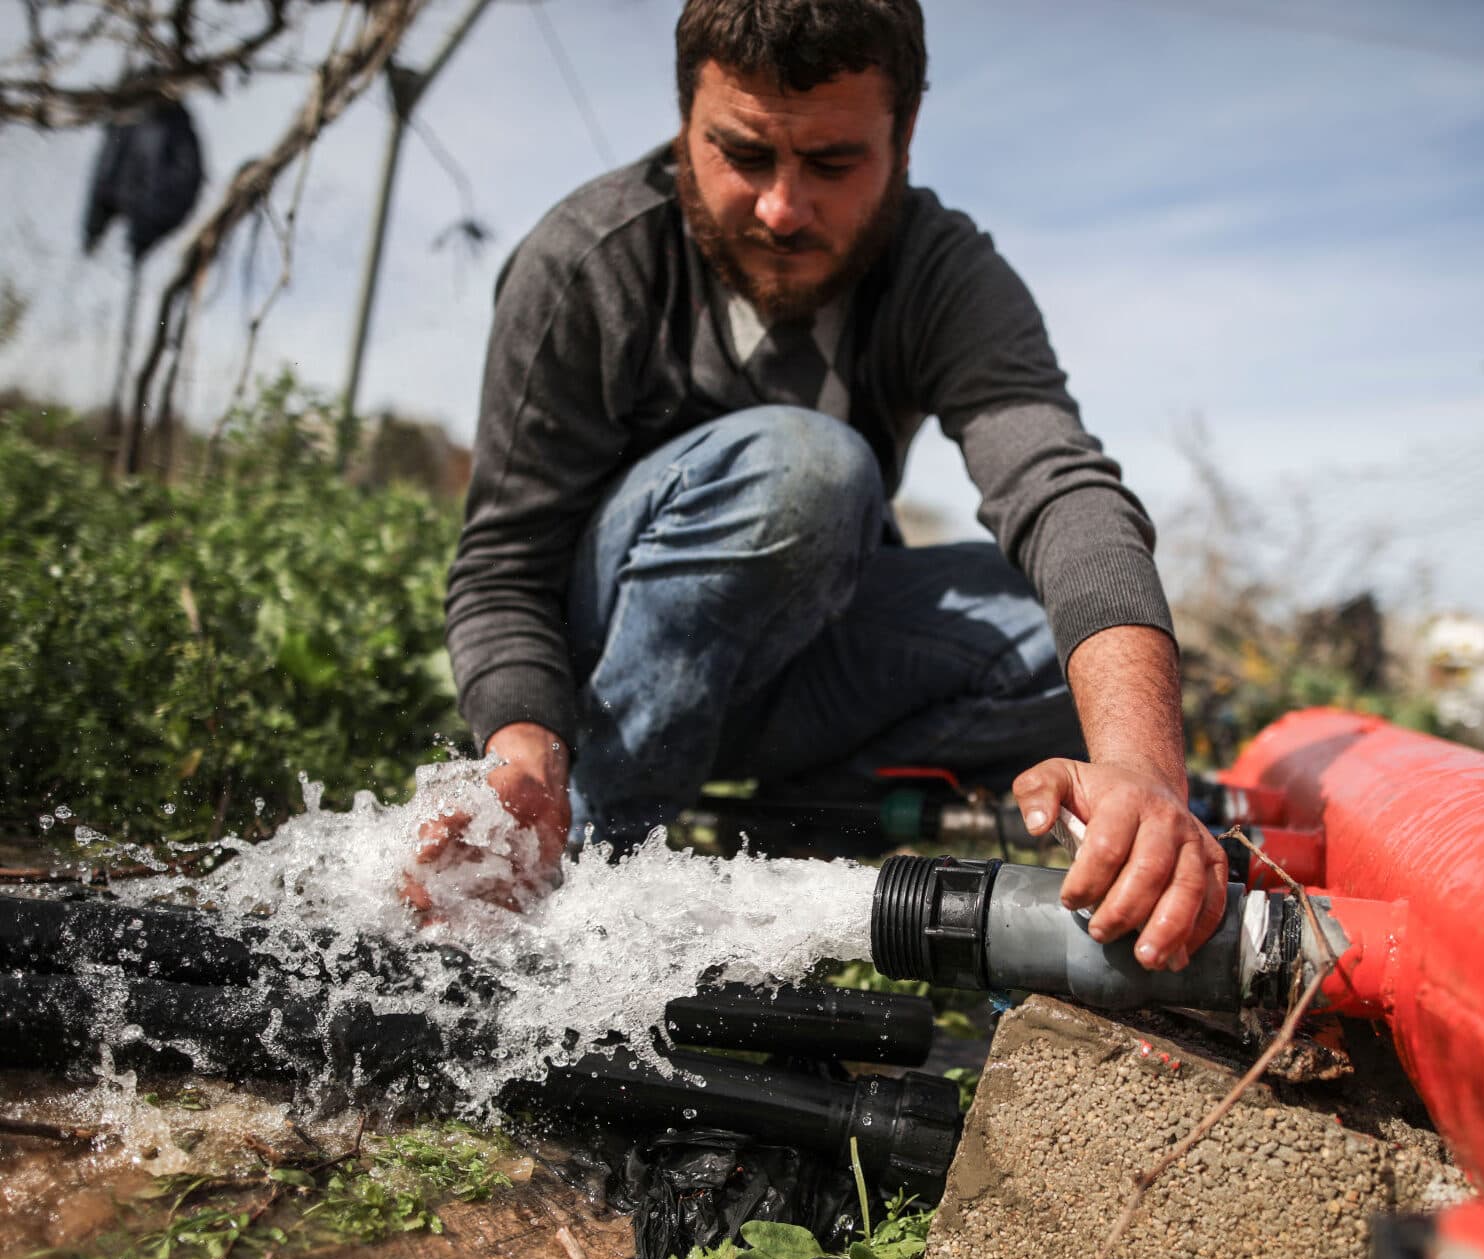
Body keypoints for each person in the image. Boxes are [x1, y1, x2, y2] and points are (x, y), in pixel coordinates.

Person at [410, 0, 1228, 970]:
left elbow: (1058, 489)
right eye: (744, 156)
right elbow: (505, 566)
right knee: (810, 467)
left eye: (832, 164)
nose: (782, 209)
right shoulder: (588, 264)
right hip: (605, 662)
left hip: (794, 663)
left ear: (905, 136)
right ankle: (590, 871)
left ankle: (800, 848)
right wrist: (522, 749)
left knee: (1077, 651)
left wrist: (1141, 769)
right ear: (685, 124)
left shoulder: (942, 272)